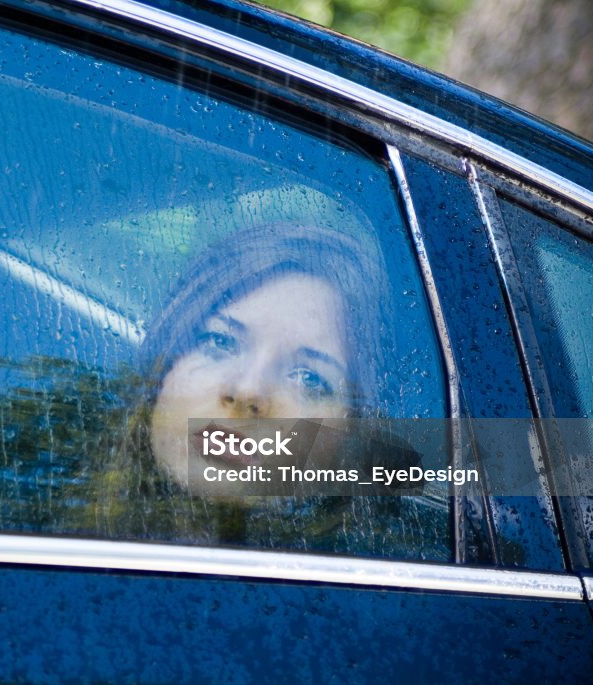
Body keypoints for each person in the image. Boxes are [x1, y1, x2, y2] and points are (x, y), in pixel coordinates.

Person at [79, 220, 445, 554]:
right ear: (164, 368)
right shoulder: (43, 490)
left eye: (308, 378)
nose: (247, 391)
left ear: (355, 438)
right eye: (220, 342)